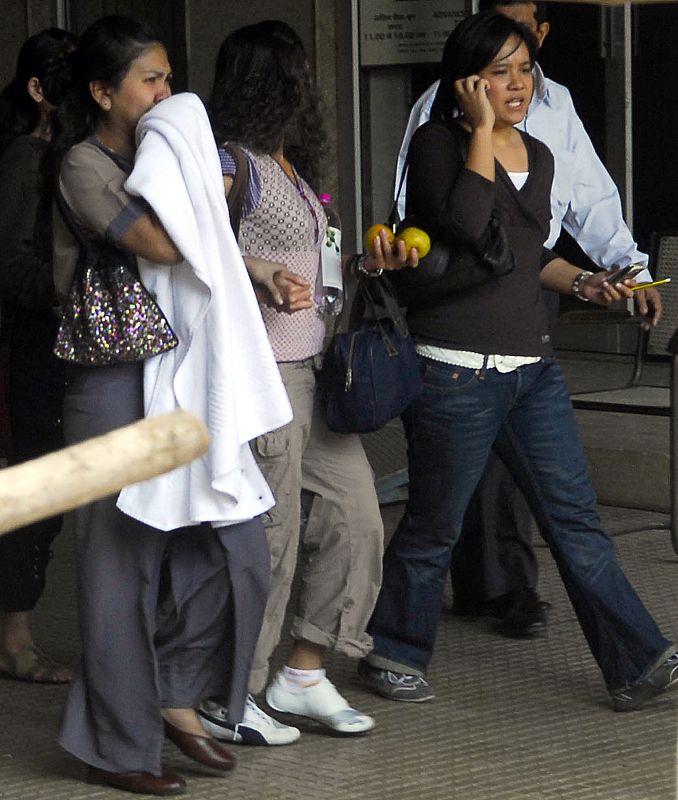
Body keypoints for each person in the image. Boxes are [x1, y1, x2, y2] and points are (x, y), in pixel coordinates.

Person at [358, 13, 678, 712]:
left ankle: (637, 660)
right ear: (466, 80)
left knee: (576, 521)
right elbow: (470, 225)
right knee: (435, 524)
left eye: (525, 69)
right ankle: (393, 651)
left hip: (532, 368)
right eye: (499, 71)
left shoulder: (544, 152)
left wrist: (590, 282)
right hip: (456, 370)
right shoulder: (440, 144)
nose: (518, 84)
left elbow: (528, 255)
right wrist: (477, 130)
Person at [52, 16, 292, 796]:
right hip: (110, 382)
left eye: (167, 76)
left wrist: (253, 268)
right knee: (120, 566)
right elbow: (163, 244)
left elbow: (211, 234)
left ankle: (175, 695)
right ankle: (116, 748)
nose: (168, 92)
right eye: (150, 80)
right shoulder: (83, 166)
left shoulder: (164, 153)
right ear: (101, 91)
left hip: (178, 371)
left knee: (230, 547)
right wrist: (190, 162)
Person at [201, 19, 415, 746]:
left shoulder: (288, 166)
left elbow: (308, 268)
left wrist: (360, 265)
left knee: (357, 518)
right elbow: (200, 254)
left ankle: (303, 672)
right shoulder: (234, 165)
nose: (310, 89)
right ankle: (231, 695)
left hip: (314, 373)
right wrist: (260, 278)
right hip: (263, 378)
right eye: (295, 73)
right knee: (273, 537)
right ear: (271, 82)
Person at [0, 28, 76, 684]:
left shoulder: (68, 153)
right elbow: (11, 267)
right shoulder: (27, 158)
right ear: (38, 91)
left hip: (61, 342)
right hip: (34, 345)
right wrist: (74, 291)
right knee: (35, 485)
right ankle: (14, 639)